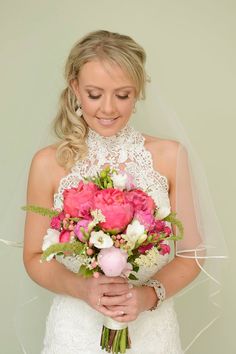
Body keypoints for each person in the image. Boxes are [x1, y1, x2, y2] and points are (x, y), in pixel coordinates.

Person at [23, 30, 220, 354]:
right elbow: (33, 257)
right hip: (76, 325)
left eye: (123, 95)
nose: (109, 108)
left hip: (150, 327)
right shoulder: (48, 163)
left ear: (138, 91)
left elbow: (191, 254)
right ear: (75, 88)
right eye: (94, 94)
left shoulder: (170, 156)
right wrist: (83, 288)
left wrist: (149, 295)